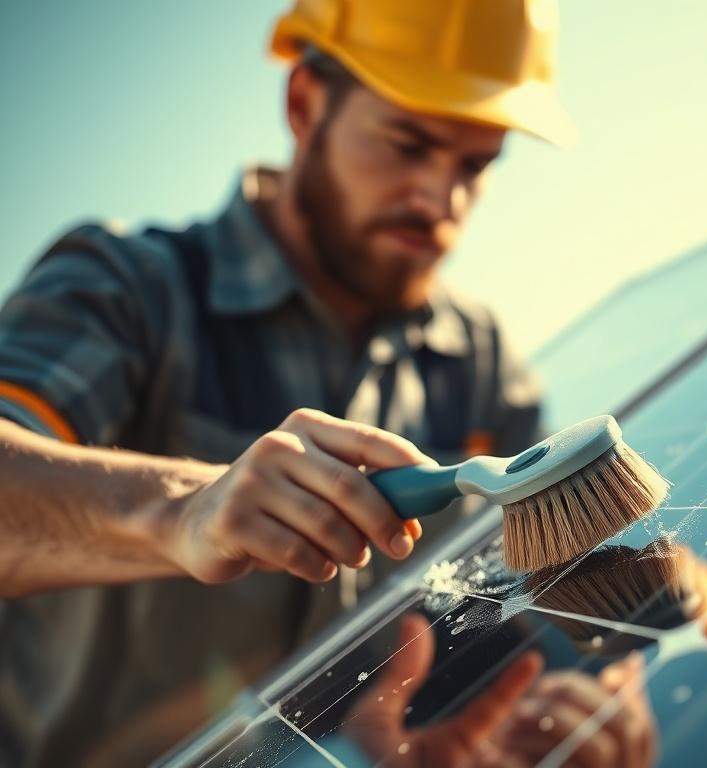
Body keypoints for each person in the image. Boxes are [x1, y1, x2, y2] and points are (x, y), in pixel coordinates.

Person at [0, 1, 581, 763]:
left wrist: (601, 689)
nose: (442, 202)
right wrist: (180, 511)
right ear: (305, 103)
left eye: (475, 166)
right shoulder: (133, 288)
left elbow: (563, 571)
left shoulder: (478, 364)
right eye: (409, 144)